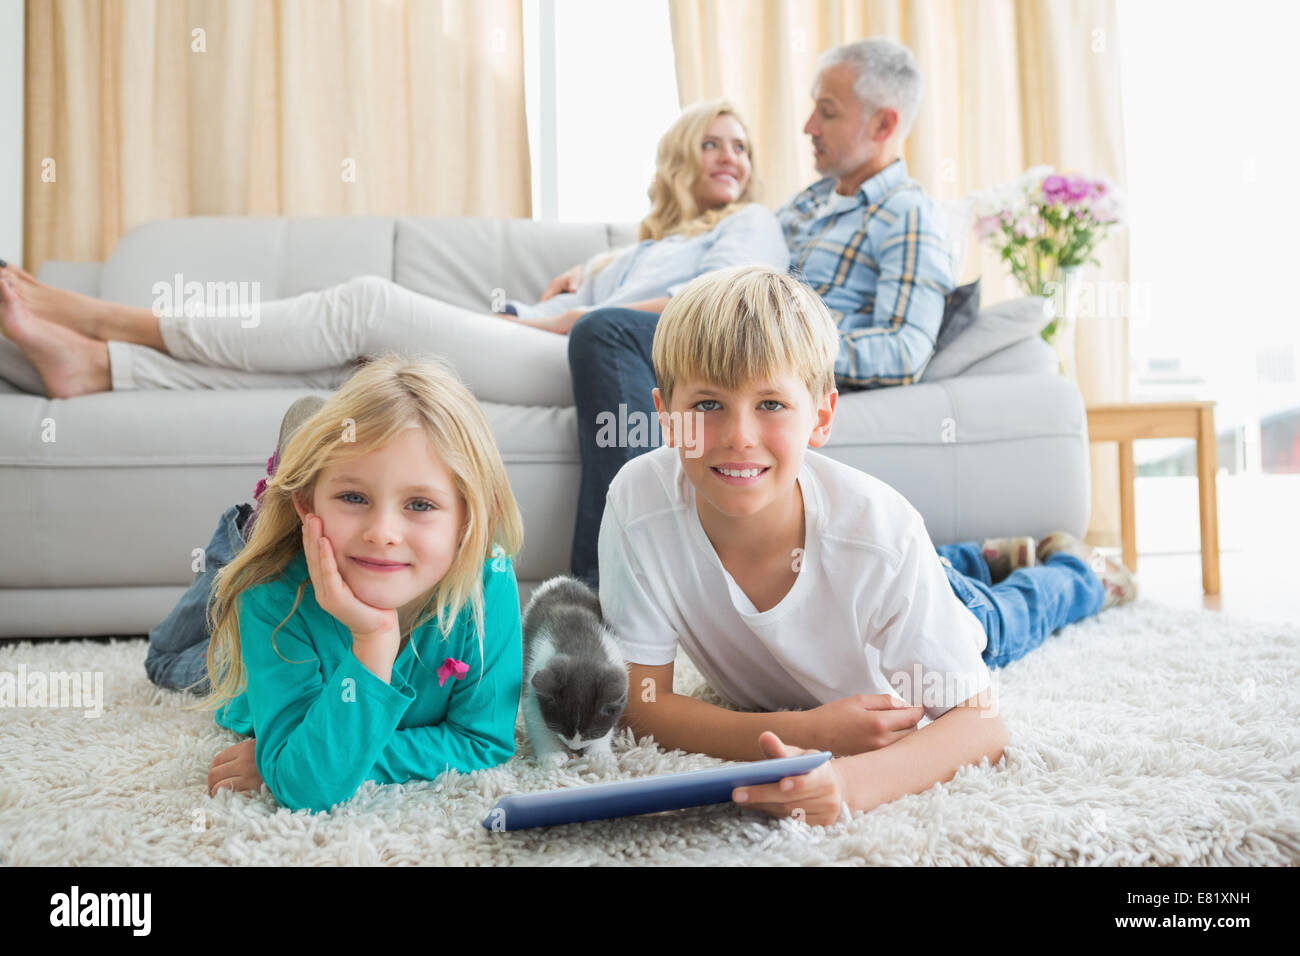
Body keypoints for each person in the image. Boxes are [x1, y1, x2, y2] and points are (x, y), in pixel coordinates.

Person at [599, 266, 1136, 826]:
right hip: (879, 587)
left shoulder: (880, 533)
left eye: (772, 405)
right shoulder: (637, 503)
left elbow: (981, 724)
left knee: (1003, 618)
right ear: (664, 415)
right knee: (937, 572)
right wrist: (804, 732)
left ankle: (1078, 572)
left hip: (922, 618)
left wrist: (846, 785)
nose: (740, 436)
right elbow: (640, 705)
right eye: (708, 405)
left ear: (821, 416)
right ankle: (975, 556)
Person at [0, 100, 788, 407]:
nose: (731, 158)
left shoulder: (750, 225)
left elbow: (716, 311)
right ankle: (102, 369)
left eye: (742, 147)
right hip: (541, 335)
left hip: (588, 362)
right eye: (712, 143)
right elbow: (622, 285)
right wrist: (576, 285)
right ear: (680, 155)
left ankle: (104, 315)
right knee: (355, 373)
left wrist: (570, 315)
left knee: (364, 306)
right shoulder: (641, 246)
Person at [568, 37, 953, 585]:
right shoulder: (808, 203)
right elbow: (722, 252)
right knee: (607, 327)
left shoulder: (909, 216)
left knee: (607, 333)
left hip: (772, 365)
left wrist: (790, 352)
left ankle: (602, 585)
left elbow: (905, 350)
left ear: (884, 124)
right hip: (736, 351)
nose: (807, 128)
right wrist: (591, 273)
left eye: (827, 112)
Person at [189, 354, 526, 813]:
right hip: (247, 675)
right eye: (353, 497)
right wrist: (374, 640)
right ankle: (235, 533)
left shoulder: (490, 581)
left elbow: (481, 741)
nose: (382, 532)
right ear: (308, 503)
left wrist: (317, 757)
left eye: (421, 504)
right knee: (181, 662)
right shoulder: (270, 595)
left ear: (473, 518)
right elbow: (307, 788)